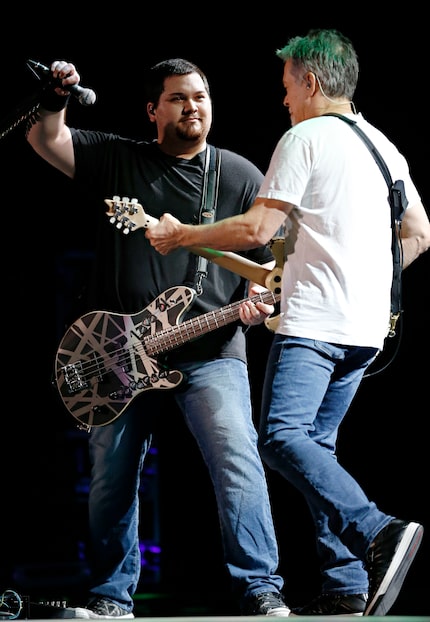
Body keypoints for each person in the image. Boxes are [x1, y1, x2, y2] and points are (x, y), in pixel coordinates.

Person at [145, 29, 430, 617]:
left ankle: (379, 531)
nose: (284, 101)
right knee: (316, 447)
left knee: (281, 436)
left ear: (312, 82)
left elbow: (255, 229)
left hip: (317, 326)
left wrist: (181, 236)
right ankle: (347, 585)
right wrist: (366, 277)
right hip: (368, 332)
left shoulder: (303, 138)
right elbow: (419, 235)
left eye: (287, 87)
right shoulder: (384, 147)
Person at [25, 58, 292, 618]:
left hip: (211, 351)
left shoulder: (240, 175)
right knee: (111, 480)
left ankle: (261, 589)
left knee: (237, 460)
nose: (192, 106)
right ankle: (110, 596)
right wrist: (55, 96)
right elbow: (46, 138)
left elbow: (272, 271)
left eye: (200, 95)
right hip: (119, 356)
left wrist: (259, 305)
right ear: (153, 110)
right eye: (178, 98)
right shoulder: (118, 158)